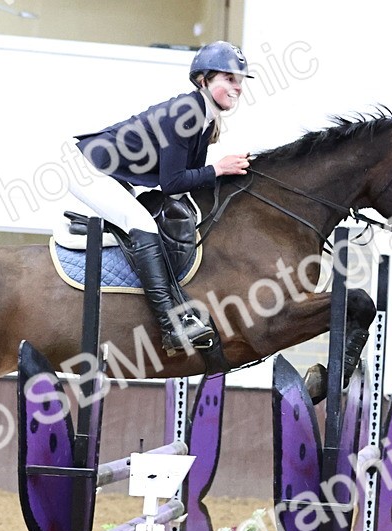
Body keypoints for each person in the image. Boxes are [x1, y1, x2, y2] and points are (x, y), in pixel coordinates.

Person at [66, 41, 254, 356]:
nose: (237, 87)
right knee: (142, 224)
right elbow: (172, 182)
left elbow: (187, 182)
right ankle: (171, 326)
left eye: (240, 81)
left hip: (115, 174)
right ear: (203, 80)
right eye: (228, 79)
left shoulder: (205, 119)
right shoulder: (188, 111)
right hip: (87, 169)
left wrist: (224, 177)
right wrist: (218, 169)